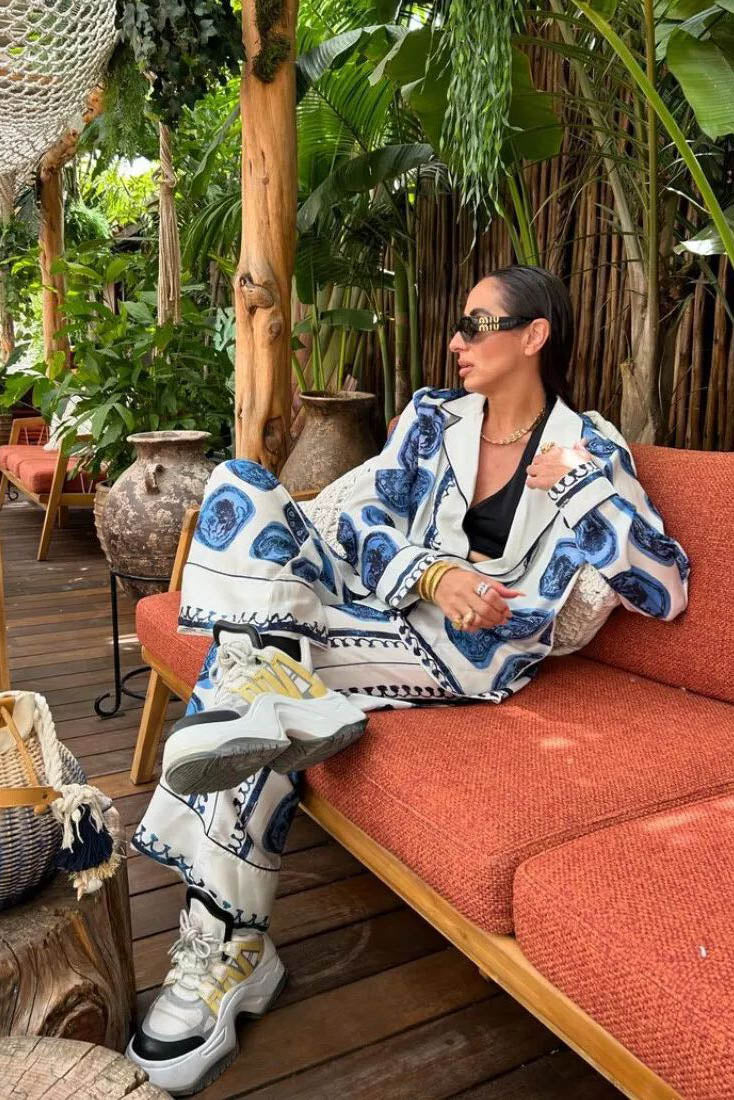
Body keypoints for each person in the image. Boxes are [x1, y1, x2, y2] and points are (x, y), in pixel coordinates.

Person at [127, 265, 690, 1095]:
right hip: (382, 600)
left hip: (467, 653)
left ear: (534, 335)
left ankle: (227, 945)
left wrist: (578, 484)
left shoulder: (588, 448)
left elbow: (665, 590)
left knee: (251, 680)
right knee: (237, 482)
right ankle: (270, 697)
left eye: (477, 323)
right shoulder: (434, 419)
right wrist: (430, 572)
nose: (457, 340)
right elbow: (361, 516)